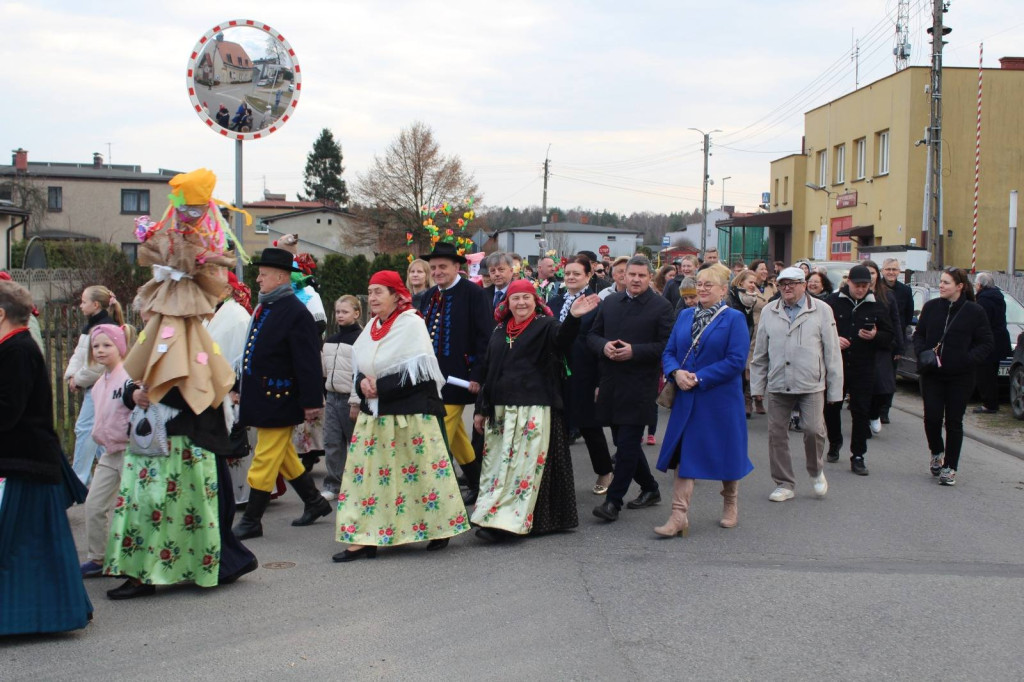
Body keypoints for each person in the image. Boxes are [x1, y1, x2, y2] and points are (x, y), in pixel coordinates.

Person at [106, 168, 257, 598]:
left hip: (179, 440)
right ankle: (166, 568)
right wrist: (136, 394)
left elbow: (185, 383)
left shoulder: (188, 335)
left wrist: (147, 396)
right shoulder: (163, 330)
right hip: (164, 438)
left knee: (163, 504)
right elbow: (143, 373)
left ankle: (164, 570)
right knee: (161, 505)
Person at [333, 271, 469, 561]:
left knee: (419, 476)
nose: (372, 298)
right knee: (369, 479)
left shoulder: (411, 324)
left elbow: (420, 373)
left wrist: (379, 387)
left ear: (396, 296)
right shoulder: (371, 326)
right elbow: (359, 366)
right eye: (370, 292)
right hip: (374, 416)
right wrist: (362, 384)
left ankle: (437, 528)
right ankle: (364, 537)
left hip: (410, 415)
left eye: (379, 292)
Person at [472, 279, 599, 540]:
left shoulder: (546, 325)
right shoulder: (500, 330)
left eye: (526, 298)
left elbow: (563, 340)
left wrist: (573, 318)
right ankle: (492, 515)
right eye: (515, 298)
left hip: (533, 408)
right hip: (501, 410)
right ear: (508, 303)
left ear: (536, 301)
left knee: (523, 469)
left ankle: (508, 525)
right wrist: (481, 409)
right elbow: (489, 371)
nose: (521, 303)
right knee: (498, 469)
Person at [0, 279, 93, 634]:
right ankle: (46, 613)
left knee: (24, 548)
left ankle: (37, 616)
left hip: (26, 462)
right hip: (23, 461)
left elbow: (8, 410)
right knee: (30, 547)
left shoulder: (18, 350)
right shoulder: (13, 346)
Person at [233, 247, 331, 540]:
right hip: (264, 397)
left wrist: (312, 401)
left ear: (280, 277)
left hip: (279, 398)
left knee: (264, 457)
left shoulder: (296, 312)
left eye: (263, 274)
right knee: (283, 453)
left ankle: (252, 519)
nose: (258, 279)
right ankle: (314, 501)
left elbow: (308, 361)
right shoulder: (267, 307)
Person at [654, 265, 752, 536]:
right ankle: (678, 516)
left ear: (723, 290)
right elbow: (669, 351)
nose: (702, 288)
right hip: (687, 397)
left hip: (720, 399)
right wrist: (676, 372)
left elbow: (736, 360)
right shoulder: (685, 315)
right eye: (700, 283)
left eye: (709, 284)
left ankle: (730, 503)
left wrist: (699, 377)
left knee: (726, 451)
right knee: (684, 454)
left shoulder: (734, 318)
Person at [590, 255, 674, 522]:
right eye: (632, 275)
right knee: (622, 442)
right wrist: (603, 346)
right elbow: (592, 335)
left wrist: (634, 351)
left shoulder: (661, 306)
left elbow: (667, 345)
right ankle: (650, 488)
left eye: (642, 275)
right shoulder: (610, 302)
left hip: (640, 385)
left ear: (650, 278)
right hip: (611, 382)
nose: (636, 279)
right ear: (623, 276)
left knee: (627, 445)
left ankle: (613, 502)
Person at [750, 267, 843, 502]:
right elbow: (760, 353)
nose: (787, 288)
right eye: (783, 284)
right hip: (778, 382)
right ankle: (784, 483)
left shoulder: (822, 310)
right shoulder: (770, 310)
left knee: (813, 430)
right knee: (777, 434)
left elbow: (832, 352)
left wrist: (835, 390)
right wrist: (757, 388)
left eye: (792, 283)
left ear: (804, 285)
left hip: (810, 383)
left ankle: (816, 470)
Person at [418, 241, 493, 505]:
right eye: (433, 267)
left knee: (437, 437)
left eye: (443, 267)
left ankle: (433, 496)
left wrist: (477, 375)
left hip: (459, 378)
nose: (437, 272)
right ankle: (477, 482)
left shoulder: (473, 293)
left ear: (456, 267)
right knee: (458, 437)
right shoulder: (429, 295)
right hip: (431, 379)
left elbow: (485, 338)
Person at [913, 268, 994, 485]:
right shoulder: (931, 307)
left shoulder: (974, 311)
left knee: (954, 421)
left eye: (946, 282)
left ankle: (950, 467)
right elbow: (919, 334)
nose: (941, 285)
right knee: (931, 418)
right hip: (932, 374)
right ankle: (937, 452)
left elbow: (986, 343)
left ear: (959, 286)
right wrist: (922, 352)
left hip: (961, 377)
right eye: (941, 281)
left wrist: (967, 359)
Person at [550, 256, 613, 495]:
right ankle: (557, 478)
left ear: (588, 276)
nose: (571, 277)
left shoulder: (595, 303)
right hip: (555, 371)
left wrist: (600, 381)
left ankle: (605, 471)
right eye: (567, 273)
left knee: (588, 425)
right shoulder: (554, 302)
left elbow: (600, 340)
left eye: (576, 273)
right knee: (557, 426)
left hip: (585, 372)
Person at [824, 265, 893, 475]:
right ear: (849, 283)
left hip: (864, 366)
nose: (861, 289)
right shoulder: (832, 302)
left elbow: (889, 336)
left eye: (865, 286)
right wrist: (834, 340)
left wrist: (876, 336)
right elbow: (819, 331)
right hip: (837, 365)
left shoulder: (877, 306)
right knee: (832, 406)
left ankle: (858, 455)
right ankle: (835, 442)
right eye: (857, 285)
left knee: (861, 410)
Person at [79, 324, 133, 578]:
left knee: (131, 506)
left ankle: (131, 558)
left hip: (131, 451)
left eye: (107, 345)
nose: (100, 350)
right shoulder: (100, 383)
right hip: (109, 452)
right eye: (96, 346)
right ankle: (97, 557)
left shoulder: (129, 377)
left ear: (120, 347)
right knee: (94, 504)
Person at [64, 285, 122, 486]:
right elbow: (80, 355)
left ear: (96, 304)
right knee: (97, 433)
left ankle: (78, 480)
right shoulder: (89, 327)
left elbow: (97, 365)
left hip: (100, 386)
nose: (81, 305)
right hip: (91, 386)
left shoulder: (105, 328)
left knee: (84, 428)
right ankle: (114, 478)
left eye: (84, 301)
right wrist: (72, 375)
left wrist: (78, 380)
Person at [321, 295, 363, 500]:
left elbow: (360, 372)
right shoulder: (330, 341)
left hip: (350, 399)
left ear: (356, 313)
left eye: (345, 312)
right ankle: (334, 484)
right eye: (338, 311)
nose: (340, 315)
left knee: (355, 442)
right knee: (332, 442)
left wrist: (356, 401)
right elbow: (325, 371)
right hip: (332, 397)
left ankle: (358, 484)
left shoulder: (361, 339)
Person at [861, 260, 903, 435]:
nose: (869, 277)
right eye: (866, 273)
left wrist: (899, 346)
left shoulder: (887, 295)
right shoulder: (856, 293)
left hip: (883, 344)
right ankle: (863, 421)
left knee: (883, 386)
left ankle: (875, 413)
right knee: (864, 386)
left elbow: (895, 321)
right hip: (861, 345)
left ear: (877, 275)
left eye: (872, 273)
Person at [973, 272, 1012, 414]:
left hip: (988, 342)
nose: (975, 286)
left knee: (985, 374)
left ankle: (989, 404)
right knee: (992, 374)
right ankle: (993, 402)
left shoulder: (984, 300)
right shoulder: (998, 297)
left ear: (980, 285)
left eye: (976, 284)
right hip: (1000, 340)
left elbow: (982, 323)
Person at [728, 269, 758, 418]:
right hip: (733, 340)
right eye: (750, 282)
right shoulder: (731, 297)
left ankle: (741, 405)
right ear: (741, 282)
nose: (753, 285)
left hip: (748, 339)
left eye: (755, 283)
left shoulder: (751, 299)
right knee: (736, 375)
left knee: (744, 375)